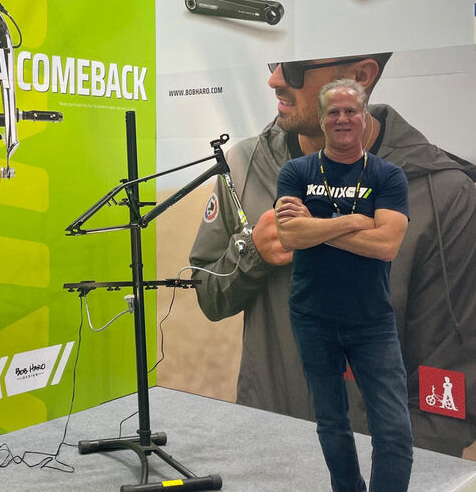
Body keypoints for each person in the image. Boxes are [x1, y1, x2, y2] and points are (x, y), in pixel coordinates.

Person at [189, 53, 476, 457]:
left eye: (295, 67)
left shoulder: (443, 193)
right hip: (265, 451)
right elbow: (207, 293)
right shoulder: (243, 164)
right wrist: (252, 252)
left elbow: (447, 378)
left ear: (361, 75)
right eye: (273, 62)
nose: (274, 80)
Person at [274, 79, 421, 492]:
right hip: (312, 316)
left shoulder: (388, 174)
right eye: (332, 112)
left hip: (370, 321)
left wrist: (323, 224)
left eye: (349, 111)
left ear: (364, 116)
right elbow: (287, 236)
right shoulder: (296, 171)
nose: (341, 120)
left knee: (394, 431)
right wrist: (355, 219)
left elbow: (386, 246)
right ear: (321, 118)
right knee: (332, 422)